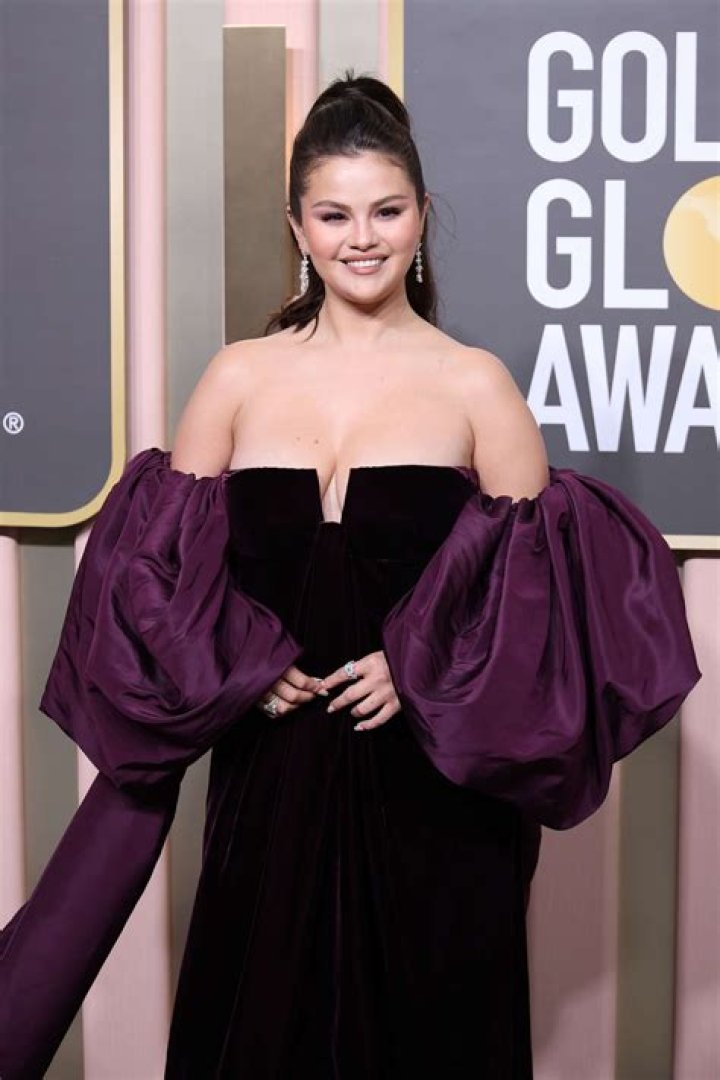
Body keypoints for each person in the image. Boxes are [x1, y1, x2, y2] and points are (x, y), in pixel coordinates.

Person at [0, 73, 701, 1079]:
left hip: (434, 794)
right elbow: (155, 582)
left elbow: (536, 612)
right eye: (334, 215)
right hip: (269, 775)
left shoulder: (477, 385)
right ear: (298, 225)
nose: (361, 238)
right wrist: (240, 663)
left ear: (422, 215)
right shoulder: (238, 376)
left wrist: (418, 669)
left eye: (386, 210)